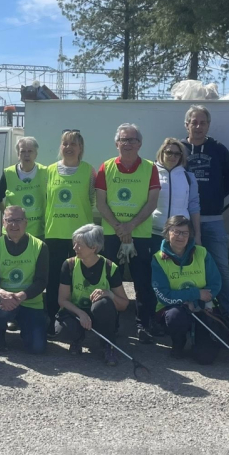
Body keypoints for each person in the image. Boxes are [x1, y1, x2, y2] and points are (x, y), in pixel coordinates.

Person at [95, 123, 160, 344]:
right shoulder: (106, 167)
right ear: (117, 143)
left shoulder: (150, 168)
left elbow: (152, 203)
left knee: (142, 282)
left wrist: (130, 226)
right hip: (111, 234)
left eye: (132, 140)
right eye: (124, 139)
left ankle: (143, 325)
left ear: (140, 143)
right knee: (109, 280)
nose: (128, 144)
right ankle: (110, 324)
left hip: (140, 234)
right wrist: (119, 227)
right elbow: (101, 203)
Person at [183, 105, 229, 311]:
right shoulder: (178, 148)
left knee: (221, 265)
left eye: (203, 123)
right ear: (187, 125)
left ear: (208, 125)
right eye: (194, 122)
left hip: (213, 219)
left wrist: (215, 195)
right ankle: (188, 308)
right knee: (185, 266)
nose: (198, 126)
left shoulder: (218, 149)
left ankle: (227, 309)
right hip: (184, 221)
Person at [152, 216, 226, 363]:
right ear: (167, 233)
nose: (180, 236)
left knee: (206, 358)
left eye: (185, 233)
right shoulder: (158, 259)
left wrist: (197, 302)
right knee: (175, 316)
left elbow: (215, 283)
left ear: (190, 235)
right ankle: (178, 343)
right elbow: (163, 295)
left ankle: (200, 340)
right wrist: (195, 294)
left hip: (202, 307)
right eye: (176, 232)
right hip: (175, 309)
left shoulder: (202, 253)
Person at [43, 130, 95, 336]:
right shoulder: (49, 170)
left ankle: (80, 322)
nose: (69, 147)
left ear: (80, 148)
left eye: (73, 144)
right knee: (54, 280)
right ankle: (52, 321)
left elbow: (92, 199)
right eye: (65, 143)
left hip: (80, 236)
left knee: (79, 281)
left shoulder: (89, 171)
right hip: (54, 234)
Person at [55, 224, 129, 366]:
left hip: (99, 313)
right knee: (62, 329)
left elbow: (124, 304)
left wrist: (109, 294)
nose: (74, 248)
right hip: (77, 313)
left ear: (93, 247)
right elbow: (62, 300)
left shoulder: (109, 267)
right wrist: (81, 313)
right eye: (74, 243)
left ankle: (108, 345)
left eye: (79, 245)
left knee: (103, 304)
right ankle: (77, 339)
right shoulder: (69, 265)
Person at [0, 206, 49, 353]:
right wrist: (1, 293)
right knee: (2, 311)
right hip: (4, 300)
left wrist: (21, 296)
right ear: (3, 223)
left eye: (18, 220)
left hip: (30, 301)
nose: (14, 224)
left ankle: (27, 328)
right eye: (9, 220)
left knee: (37, 348)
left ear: (26, 222)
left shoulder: (40, 247)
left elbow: (41, 281)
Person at [152, 137, 201, 255]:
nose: (173, 156)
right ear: (162, 152)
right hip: (154, 232)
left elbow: (194, 206)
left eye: (177, 154)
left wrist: (197, 235)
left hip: (180, 234)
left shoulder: (188, 177)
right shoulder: (150, 173)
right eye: (169, 152)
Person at [0, 136, 46, 238]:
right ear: (18, 155)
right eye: (23, 151)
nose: (26, 155)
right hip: (13, 230)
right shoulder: (9, 173)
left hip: (38, 231)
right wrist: (9, 215)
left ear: (36, 154)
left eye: (30, 151)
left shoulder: (45, 172)